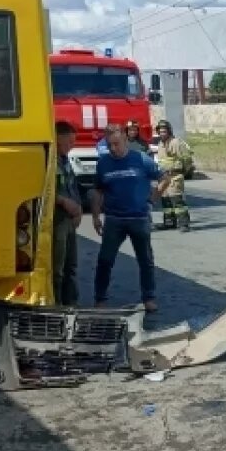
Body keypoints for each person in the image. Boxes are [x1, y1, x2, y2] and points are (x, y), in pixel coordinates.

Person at [91, 124, 170, 311]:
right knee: (105, 260)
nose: (113, 149)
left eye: (116, 144)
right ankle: (100, 299)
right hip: (114, 220)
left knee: (146, 260)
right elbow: (98, 191)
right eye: (109, 145)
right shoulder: (103, 163)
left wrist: (152, 200)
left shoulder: (141, 159)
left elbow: (164, 178)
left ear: (125, 140)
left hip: (139, 219)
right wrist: (95, 216)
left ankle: (149, 298)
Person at [52, 121, 82, 306]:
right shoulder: (48, 160)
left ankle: (71, 304)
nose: (72, 147)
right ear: (57, 139)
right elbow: (43, 190)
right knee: (57, 268)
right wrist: (63, 201)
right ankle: (56, 305)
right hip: (57, 220)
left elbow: (72, 187)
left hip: (69, 220)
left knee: (71, 266)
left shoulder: (65, 161)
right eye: (69, 142)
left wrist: (78, 209)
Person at [154, 119, 194, 232]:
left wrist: (184, 171)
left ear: (169, 131)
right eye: (160, 131)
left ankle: (184, 224)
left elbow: (186, 158)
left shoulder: (176, 143)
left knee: (177, 201)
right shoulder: (161, 144)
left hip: (175, 176)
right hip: (163, 178)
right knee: (166, 201)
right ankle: (169, 222)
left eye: (164, 131)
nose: (162, 134)